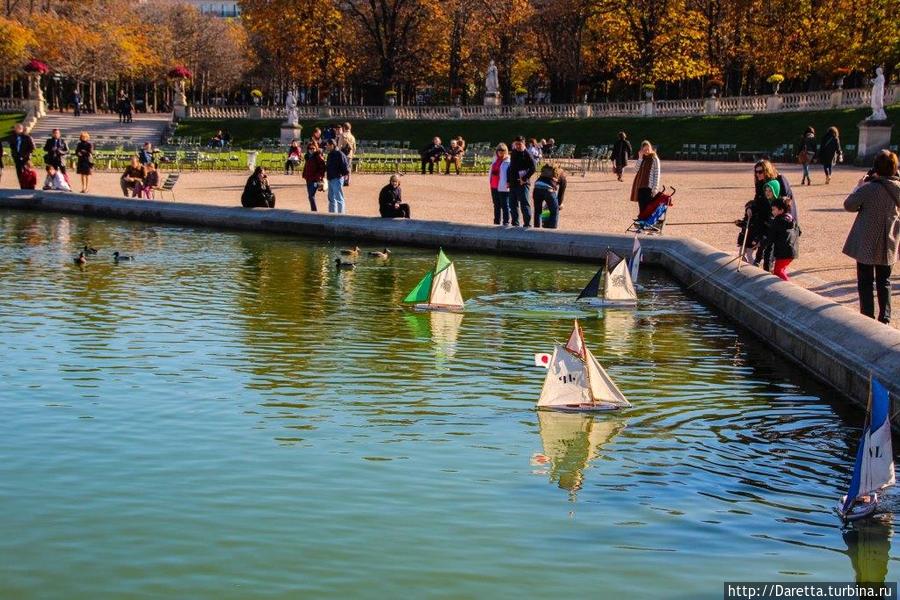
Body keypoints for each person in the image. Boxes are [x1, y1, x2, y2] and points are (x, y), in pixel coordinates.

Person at [841, 150, 900, 324]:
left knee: (865, 281)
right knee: (885, 281)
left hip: (868, 239)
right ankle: (885, 318)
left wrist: (859, 186)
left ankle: (867, 317)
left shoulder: (869, 188)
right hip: (888, 241)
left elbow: (849, 205)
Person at [769, 196, 799, 281]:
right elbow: (799, 232)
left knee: (778, 271)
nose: (772, 212)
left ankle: (789, 287)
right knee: (781, 269)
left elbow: (771, 237)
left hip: (783, 252)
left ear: (781, 210)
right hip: (792, 250)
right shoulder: (792, 219)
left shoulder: (777, 221)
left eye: (774, 209)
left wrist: (762, 243)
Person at [508, 136, 536, 227]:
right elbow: (511, 168)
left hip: (522, 183)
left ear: (524, 144)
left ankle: (527, 224)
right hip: (513, 183)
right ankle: (515, 223)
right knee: (513, 204)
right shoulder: (514, 153)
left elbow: (533, 168)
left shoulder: (527, 153)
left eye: (519, 144)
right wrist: (508, 180)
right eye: (516, 144)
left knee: (524, 204)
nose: (518, 146)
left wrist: (525, 178)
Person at [630, 140, 661, 215]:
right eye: (644, 150)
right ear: (642, 150)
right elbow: (635, 170)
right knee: (641, 205)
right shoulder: (642, 159)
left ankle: (648, 222)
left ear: (651, 148)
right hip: (640, 185)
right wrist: (640, 158)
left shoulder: (654, 159)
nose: (647, 151)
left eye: (648, 149)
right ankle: (642, 221)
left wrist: (655, 187)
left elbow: (657, 174)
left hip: (649, 186)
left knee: (648, 206)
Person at [325, 139, 349, 213]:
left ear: (332, 145)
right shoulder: (330, 154)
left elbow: (345, 165)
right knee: (331, 199)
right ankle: (332, 215)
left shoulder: (339, 154)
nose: (326, 147)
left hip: (337, 178)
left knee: (339, 198)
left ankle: (341, 216)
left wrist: (345, 174)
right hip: (330, 178)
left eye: (328, 145)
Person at [489, 143, 511, 225]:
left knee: (505, 205)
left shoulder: (508, 161)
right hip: (494, 185)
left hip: (503, 186)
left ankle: (506, 222)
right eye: (499, 150)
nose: (501, 152)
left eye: (503, 150)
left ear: (506, 151)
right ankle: (496, 221)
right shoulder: (495, 160)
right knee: (496, 205)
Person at [533, 164, 560, 228]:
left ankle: (536, 229)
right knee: (555, 210)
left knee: (537, 211)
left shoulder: (544, 172)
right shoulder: (559, 176)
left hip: (537, 187)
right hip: (548, 190)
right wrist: (559, 203)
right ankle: (552, 230)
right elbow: (558, 189)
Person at [301, 141, 326, 211]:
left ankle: (314, 211)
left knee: (311, 196)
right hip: (308, 178)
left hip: (315, 179)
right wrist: (304, 174)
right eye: (310, 148)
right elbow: (306, 167)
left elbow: (323, 167)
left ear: (316, 149)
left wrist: (319, 176)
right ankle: (313, 210)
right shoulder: (308, 157)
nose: (311, 150)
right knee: (310, 196)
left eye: (313, 148)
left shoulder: (318, 156)